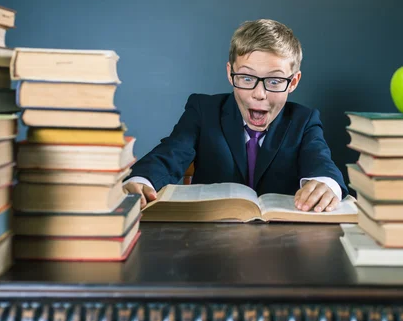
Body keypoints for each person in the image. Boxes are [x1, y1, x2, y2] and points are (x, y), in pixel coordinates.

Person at [123, 19, 348, 213]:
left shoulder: (304, 120)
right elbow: (170, 153)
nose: (259, 94)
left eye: (275, 81)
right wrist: (141, 180)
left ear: (293, 82)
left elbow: (321, 161)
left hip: (282, 244)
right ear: (231, 74)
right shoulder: (204, 110)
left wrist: (326, 184)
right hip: (209, 241)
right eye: (247, 78)